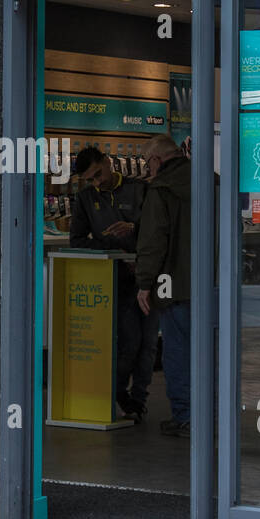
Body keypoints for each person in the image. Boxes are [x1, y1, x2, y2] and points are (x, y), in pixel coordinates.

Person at [69, 145, 157, 419]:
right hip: (115, 279)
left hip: (148, 275)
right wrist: (112, 252)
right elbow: (78, 241)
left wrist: (134, 228)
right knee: (130, 340)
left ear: (107, 162)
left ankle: (139, 399)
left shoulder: (138, 189)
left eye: (98, 174)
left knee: (149, 343)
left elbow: (158, 229)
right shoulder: (84, 199)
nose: (98, 182)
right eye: (91, 180)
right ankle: (119, 391)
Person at [134, 136, 192, 437]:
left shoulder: (161, 190)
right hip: (214, 284)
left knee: (178, 350)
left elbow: (153, 240)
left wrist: (144, 283)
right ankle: (213, 412)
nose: (147, 169)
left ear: (156, 160)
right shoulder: (213, 181)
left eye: (147, 163)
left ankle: (185, 414)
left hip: (175, 286)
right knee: (213, 351)